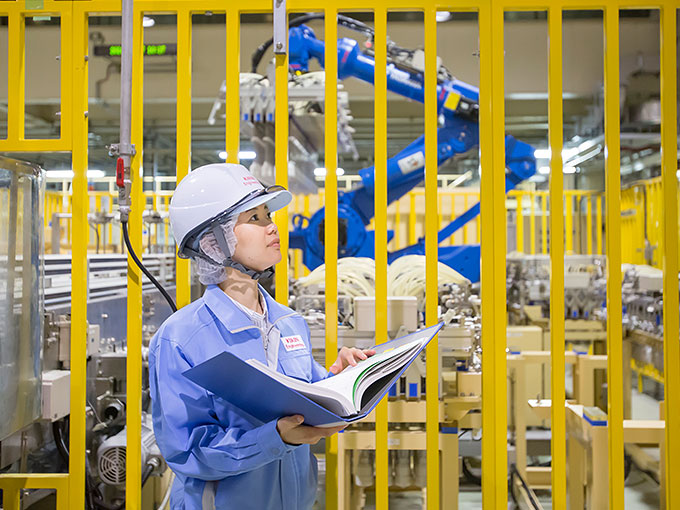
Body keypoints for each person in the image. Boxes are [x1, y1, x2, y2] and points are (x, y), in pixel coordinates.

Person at [148, 163, 375, 510]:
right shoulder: (181, 339)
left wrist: (343, 380)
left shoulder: (288, 322)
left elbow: (313, 408)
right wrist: (275, 438)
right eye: (254, 218)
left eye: (268, 214)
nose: (273, 227)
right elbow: (188, 451)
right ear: (213, 241)